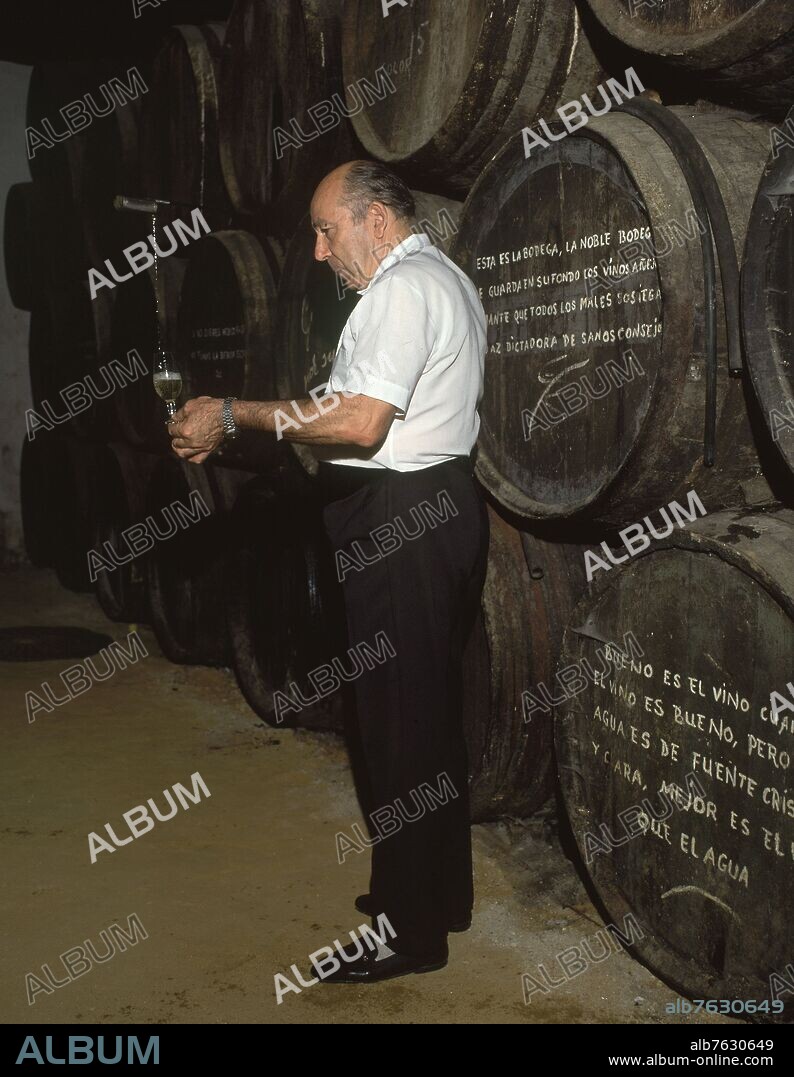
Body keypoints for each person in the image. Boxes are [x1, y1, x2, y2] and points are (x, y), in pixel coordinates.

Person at [168, 159, 489, 983]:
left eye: (327, 229)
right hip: (435, 507)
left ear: (375, 220)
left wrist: (238, 413)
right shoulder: (440, 277)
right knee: (426, 711)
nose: (316, 251)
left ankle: (407, 931)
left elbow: (360, 419)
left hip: (404, 516)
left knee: (396, 721)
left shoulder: (400, 290)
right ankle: (433, 893)